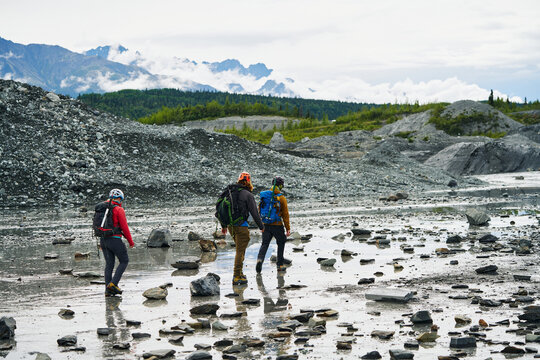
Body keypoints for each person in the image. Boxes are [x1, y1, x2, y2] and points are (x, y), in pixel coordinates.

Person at [220, 172, 264, 285]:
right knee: (240, 251)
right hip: (241, 227)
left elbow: (222, 209)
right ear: (248, 181)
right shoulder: (247, 195)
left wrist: (224, 225)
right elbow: (254, 213)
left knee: (240, 249)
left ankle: (240, 273)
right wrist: (261, 226)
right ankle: (236, 276)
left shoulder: (230, 192)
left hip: (231, 226)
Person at [100, 189, 134, 296]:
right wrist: (130, 241)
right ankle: (113, 284)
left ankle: (107, 291)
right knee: (124, 261)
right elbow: (124, 227)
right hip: (115, 240)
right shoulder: (119, 209)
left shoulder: (102, 208)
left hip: (103, 239)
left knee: (109, 264)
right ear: (119, 198)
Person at [255, 176, 291, 273]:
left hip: (265, 224)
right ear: (280, 185)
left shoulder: (265, 196)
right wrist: (288, 228)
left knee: (265, 243)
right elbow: (285, 214)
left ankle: (260, 259)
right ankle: (280, 265)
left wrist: (261, 224)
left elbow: (259, 209)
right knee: (281, 242)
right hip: (277, 225)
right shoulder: (281, 198)